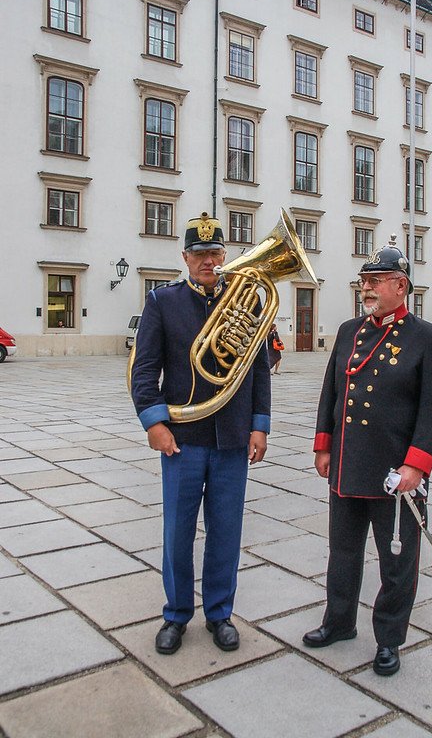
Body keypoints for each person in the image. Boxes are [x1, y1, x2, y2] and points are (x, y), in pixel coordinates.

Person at [302, 241, 432, 676]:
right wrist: (323, 445)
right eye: (364, 281)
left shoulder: (427, 338)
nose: (365, 288)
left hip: (395, 473)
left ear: (400, 286)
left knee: (396, 561)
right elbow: (331, 390)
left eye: (374, 281)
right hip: (348, 465)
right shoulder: (350, 330)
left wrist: (416, 465)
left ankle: (389, 639)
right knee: (343, 551)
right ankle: (339, 621)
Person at [130, 212, 271, 655]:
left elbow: (259, 370)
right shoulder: (163, 302)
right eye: (199, 254)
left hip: (231, 439)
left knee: (226, 530)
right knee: (178, 532)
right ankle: (175, 615)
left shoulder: (246, 301)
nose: (208, 261)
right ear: (185, 258)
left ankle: (219, 613)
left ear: (225, 255)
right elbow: (144, 368)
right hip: (182, 441)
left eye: (214, 253)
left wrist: (259, 426)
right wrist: (154, 422)